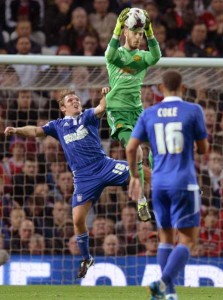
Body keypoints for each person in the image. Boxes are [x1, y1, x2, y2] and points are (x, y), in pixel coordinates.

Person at [4, 87, 130, 279]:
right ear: (63, 108)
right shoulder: (57, 126)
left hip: (104, 165)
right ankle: (87, 258)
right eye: (70, 100)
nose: (75, 102)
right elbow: (36, 131)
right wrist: (16, 130)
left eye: (76, 99)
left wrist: (105, 94)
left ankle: (142, 200)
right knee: (78, 221)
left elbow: (101, 107)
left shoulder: (87, 116)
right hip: (83, 178)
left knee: (139, 171)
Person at [126, 70, 209, 300]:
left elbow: (131, 149)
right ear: (183, 88)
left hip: (159, 184)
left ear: (161, 89)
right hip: (183, 182)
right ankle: (163, 283)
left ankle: (169, 294)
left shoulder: (149, 113)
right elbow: (204, 149)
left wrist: (135, 176)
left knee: (165, 238)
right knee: (188, 240)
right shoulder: (193, 110)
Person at [105, 8, 161, 222]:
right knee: (135, 151)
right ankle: (141, 201)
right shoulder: (117, 55)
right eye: (134, 33)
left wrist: (150, 31)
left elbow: (156, 55)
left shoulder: (142, 57)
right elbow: (109, 54)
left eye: (140, 34)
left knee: (157, 144)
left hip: (137, 111)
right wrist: (117, 26)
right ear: (125, 34)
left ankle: (160, 182)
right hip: (118, 113)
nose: (138, 37)